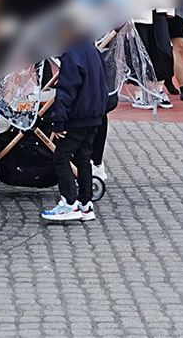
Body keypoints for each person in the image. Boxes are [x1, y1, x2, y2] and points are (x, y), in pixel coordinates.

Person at [41, 24, 108, 224]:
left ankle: (69, 203)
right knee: (83, 157)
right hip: (93, 116)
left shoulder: (72, 53)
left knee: (61, 157)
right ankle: (85, 204)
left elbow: (66, 90)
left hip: (77, 118)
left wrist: (59, 121)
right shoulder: (92, 50)